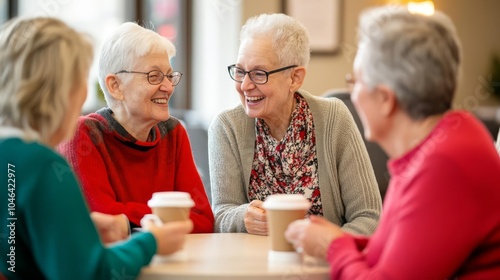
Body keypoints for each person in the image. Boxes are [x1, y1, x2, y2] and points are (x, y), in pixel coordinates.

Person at [285, 6, 500, 279]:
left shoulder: (444, 164)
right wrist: (335, 241)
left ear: (386, 99)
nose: (352, 95)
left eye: (356, 82)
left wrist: (333, 246)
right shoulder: (438, 144)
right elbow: (393, 251)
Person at [0, 17, 193, 279]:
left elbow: (14, 256)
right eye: (80, 78)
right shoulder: (41, 165)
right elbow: (91, 273)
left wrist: (77, 231)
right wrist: (151, 241)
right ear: (60, 90)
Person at [208, 13, 382, 235]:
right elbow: (221, 214)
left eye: (259, 74)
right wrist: (243, 217)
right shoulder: (226, 128)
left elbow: (369, 217)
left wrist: (325, 248)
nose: (245, 85)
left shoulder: (334, 118)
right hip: (252, 265)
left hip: (325, 262)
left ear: (295, 78)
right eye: (241, 71)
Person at [57, 22, 214, 232]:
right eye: (154, 76)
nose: (167, 87)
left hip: (172, 259)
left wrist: (128, 219)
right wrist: (171, 216)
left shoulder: (173, 132)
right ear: (116, 86)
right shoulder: (84, 134)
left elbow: (203, 219)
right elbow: (105, 220)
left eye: (169, 76)